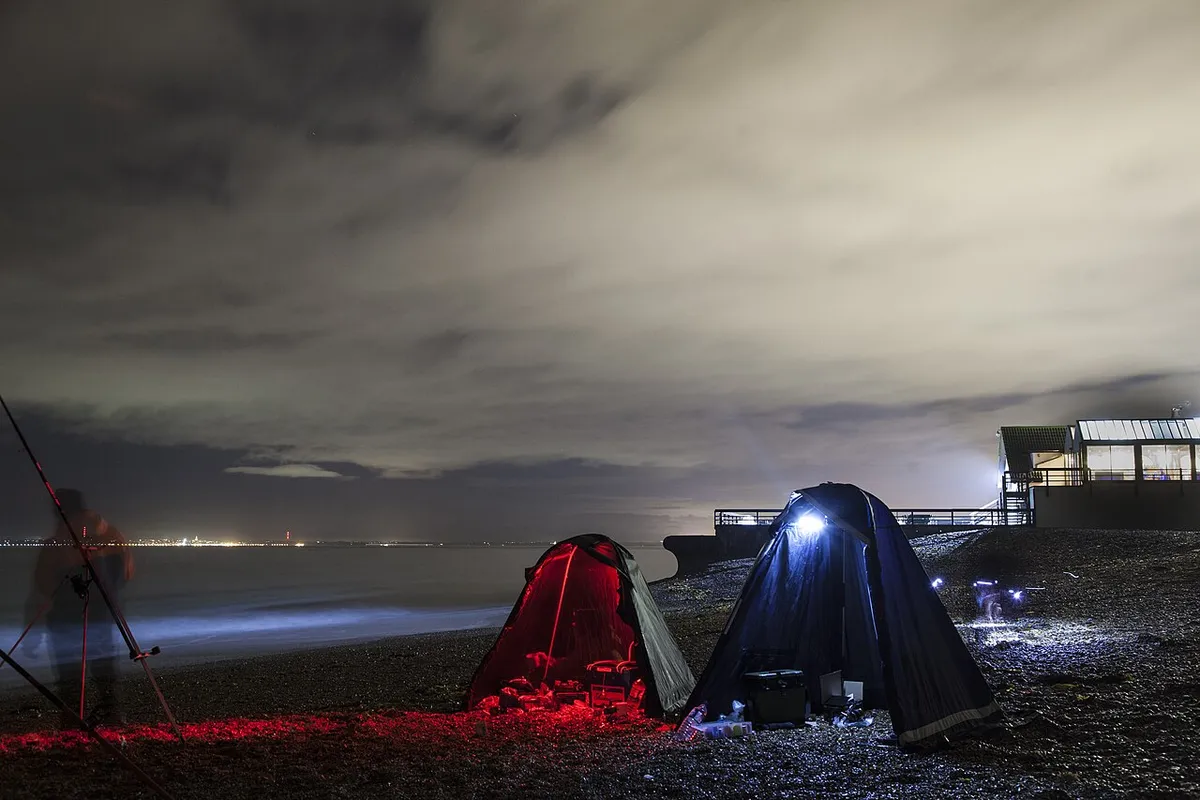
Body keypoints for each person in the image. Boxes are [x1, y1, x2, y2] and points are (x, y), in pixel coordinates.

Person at [23, 489, 135, 728]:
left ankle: (72, 721)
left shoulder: (58, 542)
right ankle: (113, 716)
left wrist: (31, 635)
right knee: (105, 669)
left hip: (66, 618)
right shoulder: (113, 535)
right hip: (104, 614)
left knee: (70, 676)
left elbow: (43, 584)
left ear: (60, 509)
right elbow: (126, 574)